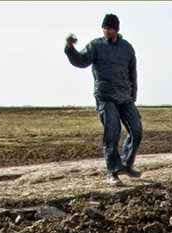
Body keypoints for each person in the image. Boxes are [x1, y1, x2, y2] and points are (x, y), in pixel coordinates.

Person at [65, 13, 143, 185]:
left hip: (125, 97)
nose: (107, 31)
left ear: (117, 29)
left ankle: (126, 164)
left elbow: (133, 74)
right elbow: (81, 60)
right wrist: (70, 48)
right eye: (105, 28)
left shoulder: (127, 48)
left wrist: (133, 96)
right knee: (112, 134)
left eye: (110, 28)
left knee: (137, 131)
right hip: (106, 97)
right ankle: (112, 173)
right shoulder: (96, 46)